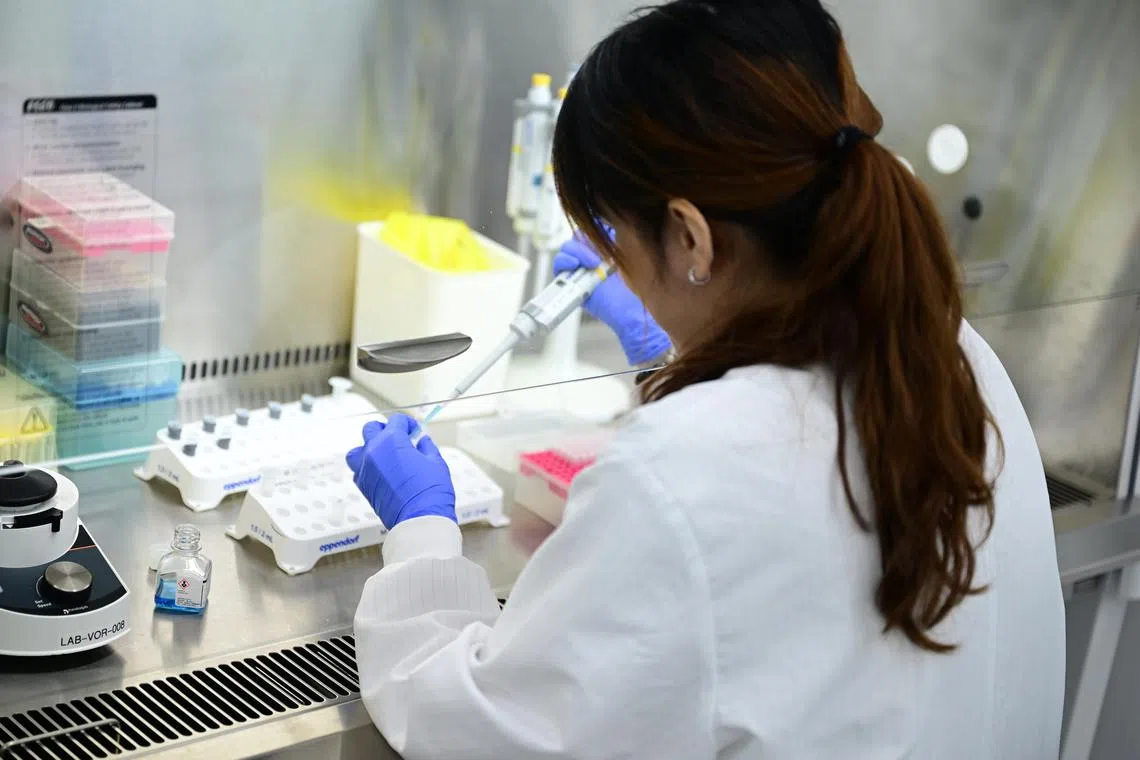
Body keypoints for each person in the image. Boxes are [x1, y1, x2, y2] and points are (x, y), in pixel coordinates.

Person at [348, 1, 1066, 757]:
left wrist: (422, 535)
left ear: (690, 236)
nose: (615, 265)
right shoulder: (955, 356)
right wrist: (677, 362)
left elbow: (481, 729)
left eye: (616, 240)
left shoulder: (682, 475)